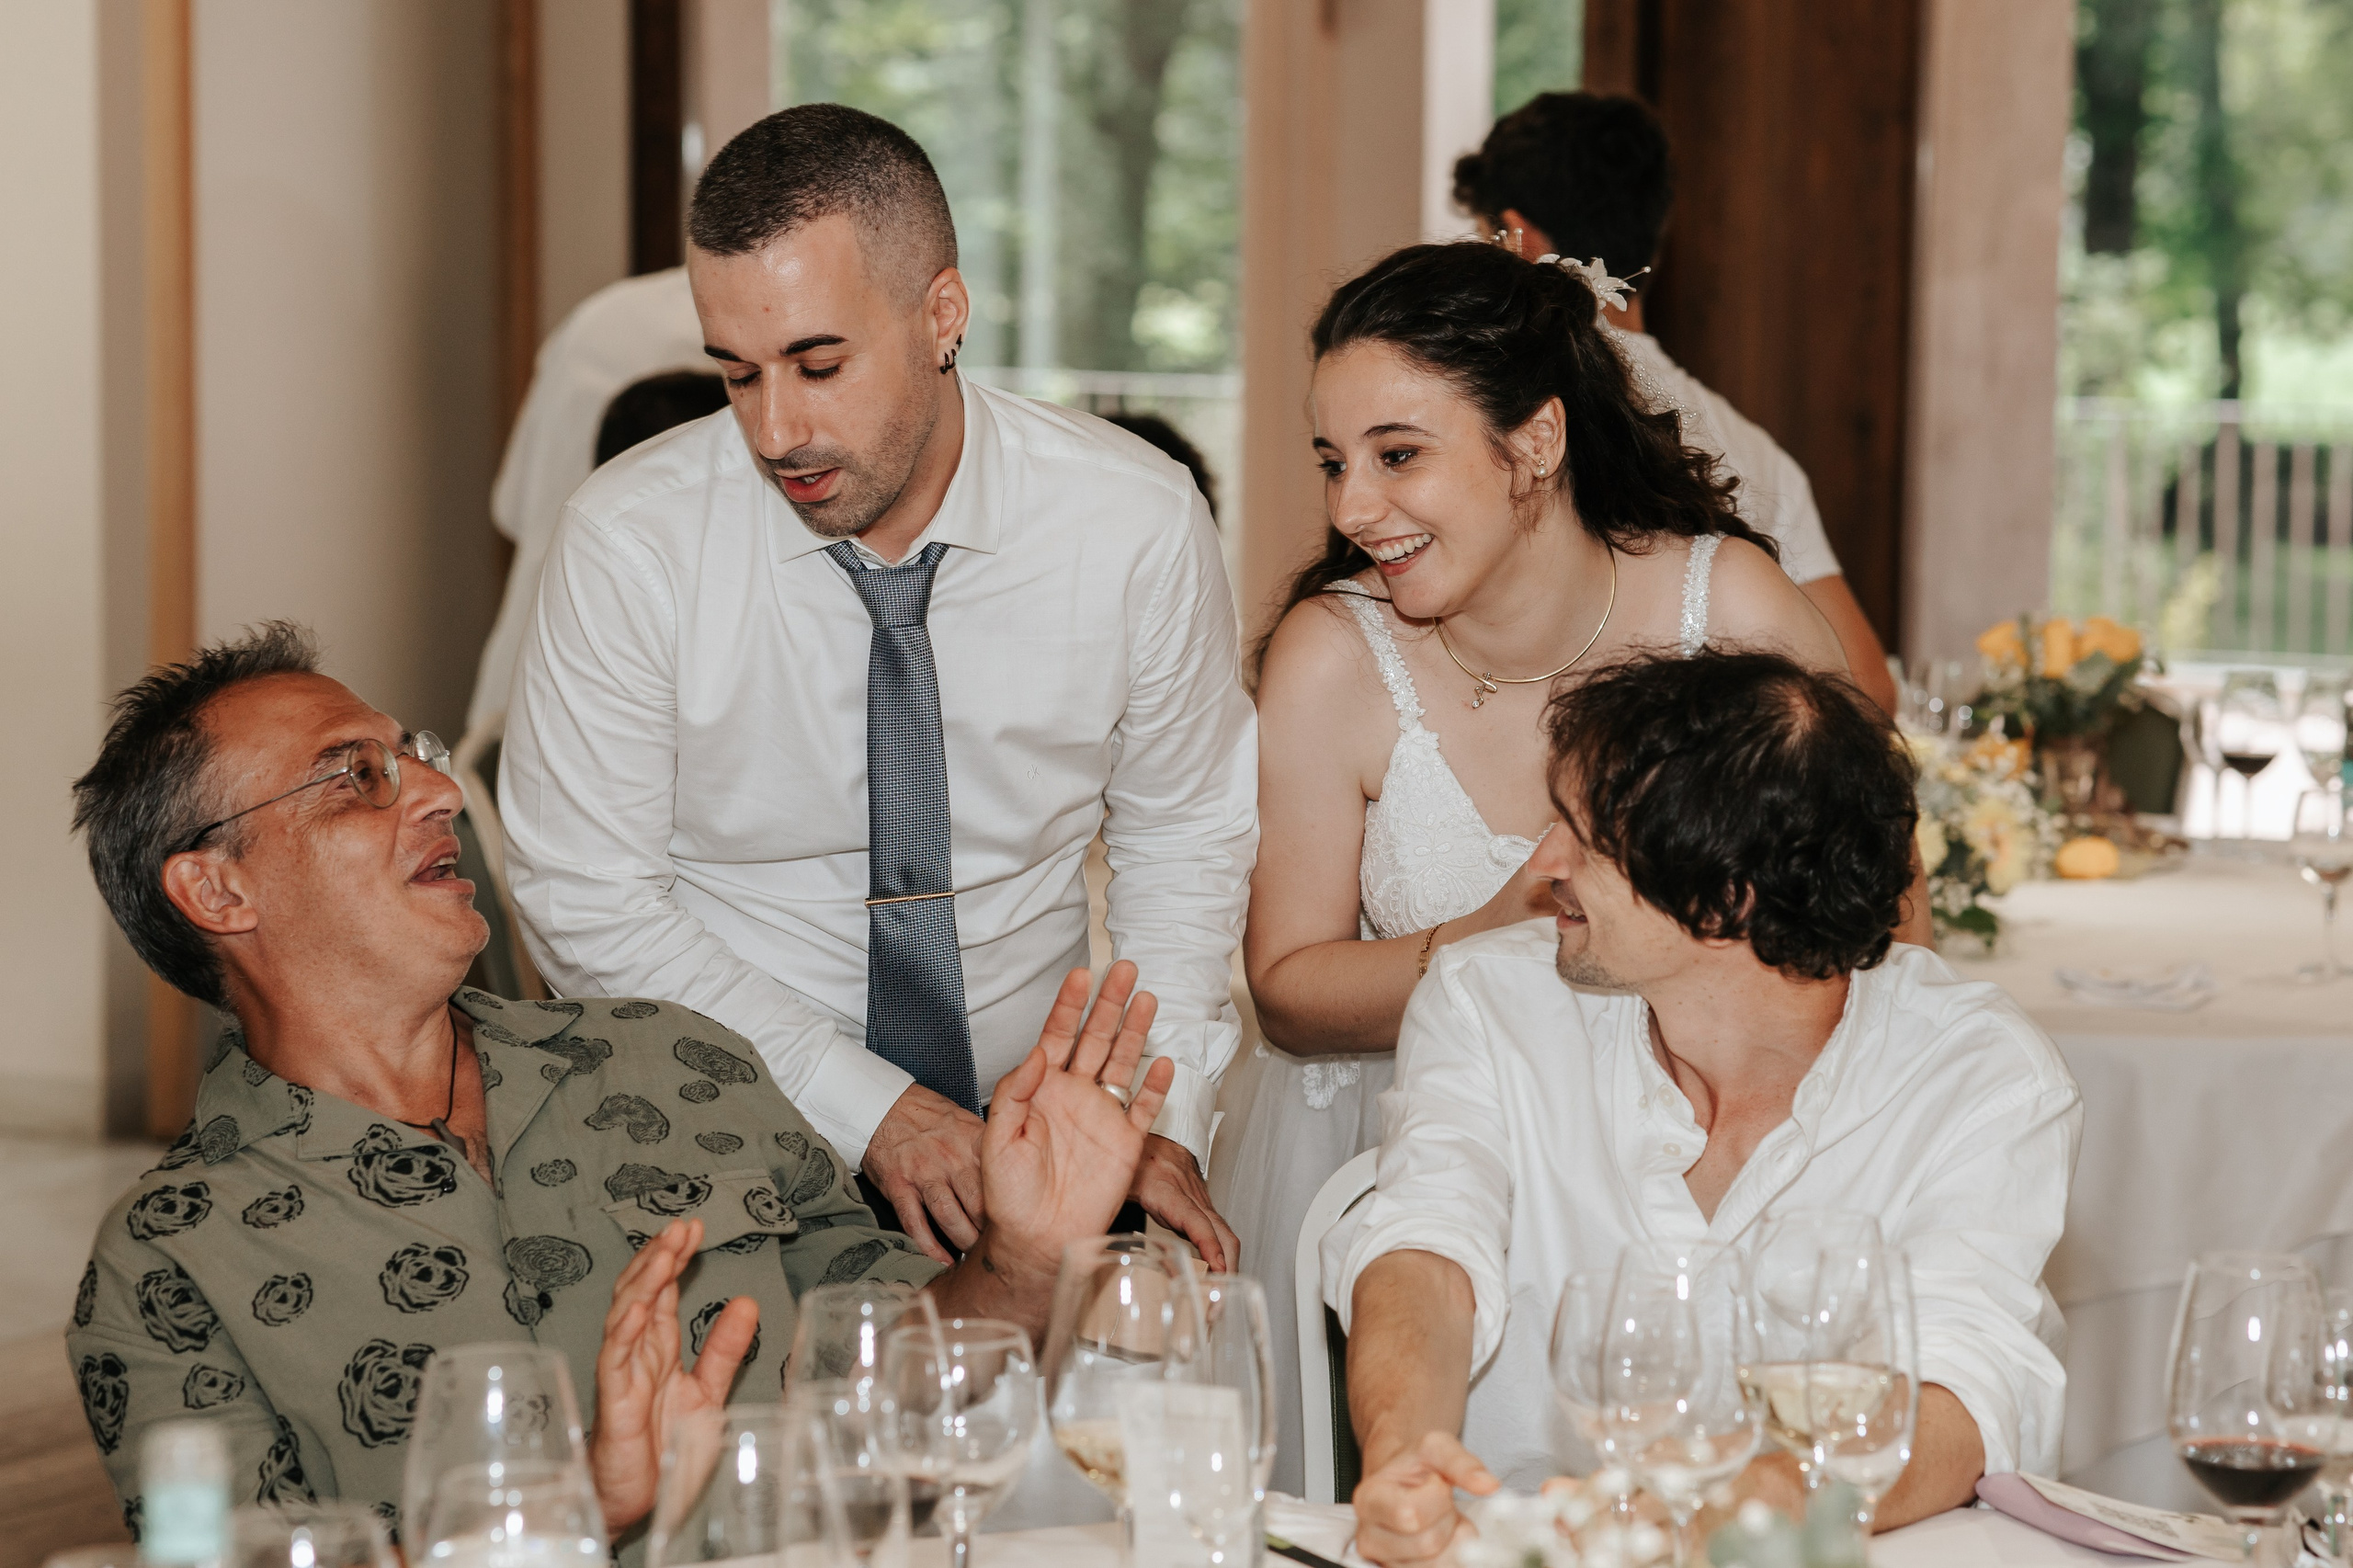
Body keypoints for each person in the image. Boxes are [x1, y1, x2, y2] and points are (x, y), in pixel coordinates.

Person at [65, 624, 1179, 1539]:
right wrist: (571, 1513)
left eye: (415, 753)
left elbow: (900, 1382)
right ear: (217, 890)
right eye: (355, 774)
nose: (437, 793)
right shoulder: (170, 1258)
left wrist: (1025, 1258)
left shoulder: (668, 1057)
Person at [499, 104, 1254, 1269]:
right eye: (736, 373)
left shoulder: (1134, 522)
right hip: (723, 1130)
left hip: (1046, 1120)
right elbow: (587, 897)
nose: (775, 428)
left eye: (818, 363)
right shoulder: (629, 542)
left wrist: (1149, 1110)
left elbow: (1186, 839)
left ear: (941, 314)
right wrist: (871, 1109)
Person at [1221, 240, 1847, 1494]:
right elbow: (1287, 984)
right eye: (1335, 463)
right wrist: (1496, 930)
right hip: (1401, 1149)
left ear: (1537, 443)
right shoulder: (1333, 659)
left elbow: (1876, 936)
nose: (1352, 508)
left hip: (1706, 1141)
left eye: (1400, 455)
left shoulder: (1732, 617)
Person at [1326, 650, 2080, 1567]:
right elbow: (1425, 1252)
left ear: (1725, 895)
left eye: (1581, 836)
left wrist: (1752, 1502)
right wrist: (1405, 1454)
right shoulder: (1490, 1000)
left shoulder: (1975, 1074)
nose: (1542, 866)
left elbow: (1960, 1389)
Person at [1451, 90, 1899, 716]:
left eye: (1487, 237)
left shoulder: (1506, 406)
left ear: (1518, 236)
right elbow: (1867, 691)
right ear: (1653, 241)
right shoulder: (1753, 447)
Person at [467, 267, 705, 737]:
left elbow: (509, 509)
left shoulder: (604, 316)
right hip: (627, 698)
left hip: (520, 687)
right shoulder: (769, 326)